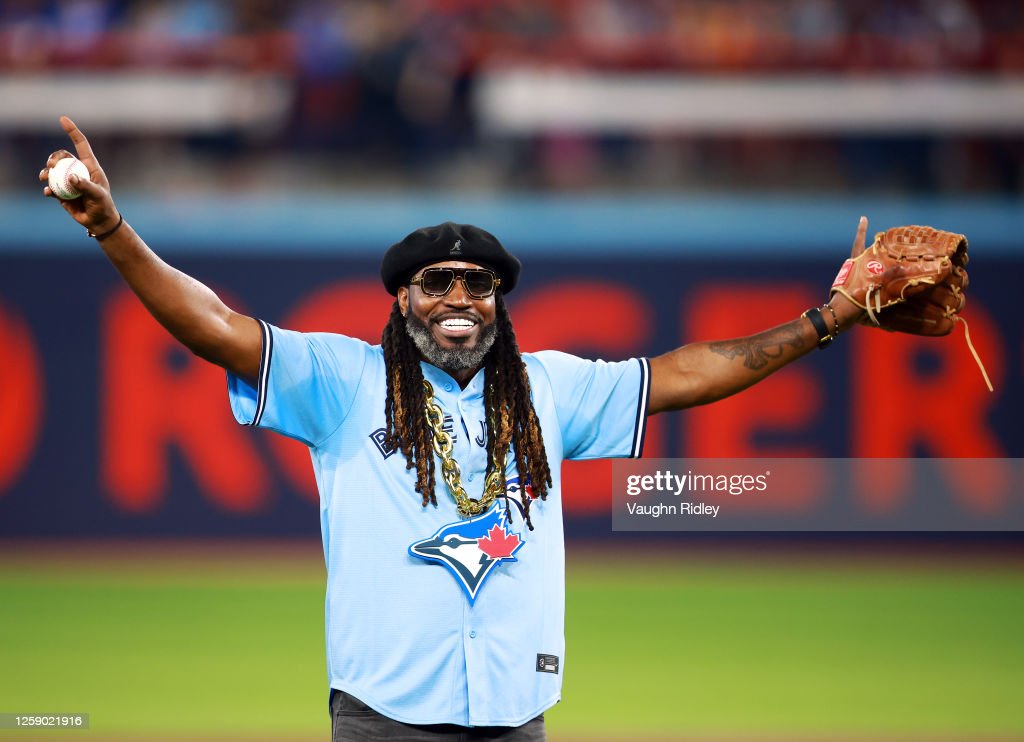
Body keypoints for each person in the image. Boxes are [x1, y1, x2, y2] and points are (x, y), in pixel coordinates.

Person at [42, 116, 870, 741]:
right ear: (402, 298)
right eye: (436, 281)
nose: (459, 299)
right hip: (385, 714)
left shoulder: (548, 388)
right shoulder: (345, 380)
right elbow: (215, 327)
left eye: (480, 283)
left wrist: (828, 318)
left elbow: (690, 373)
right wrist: (112, 229)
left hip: (515, 708)